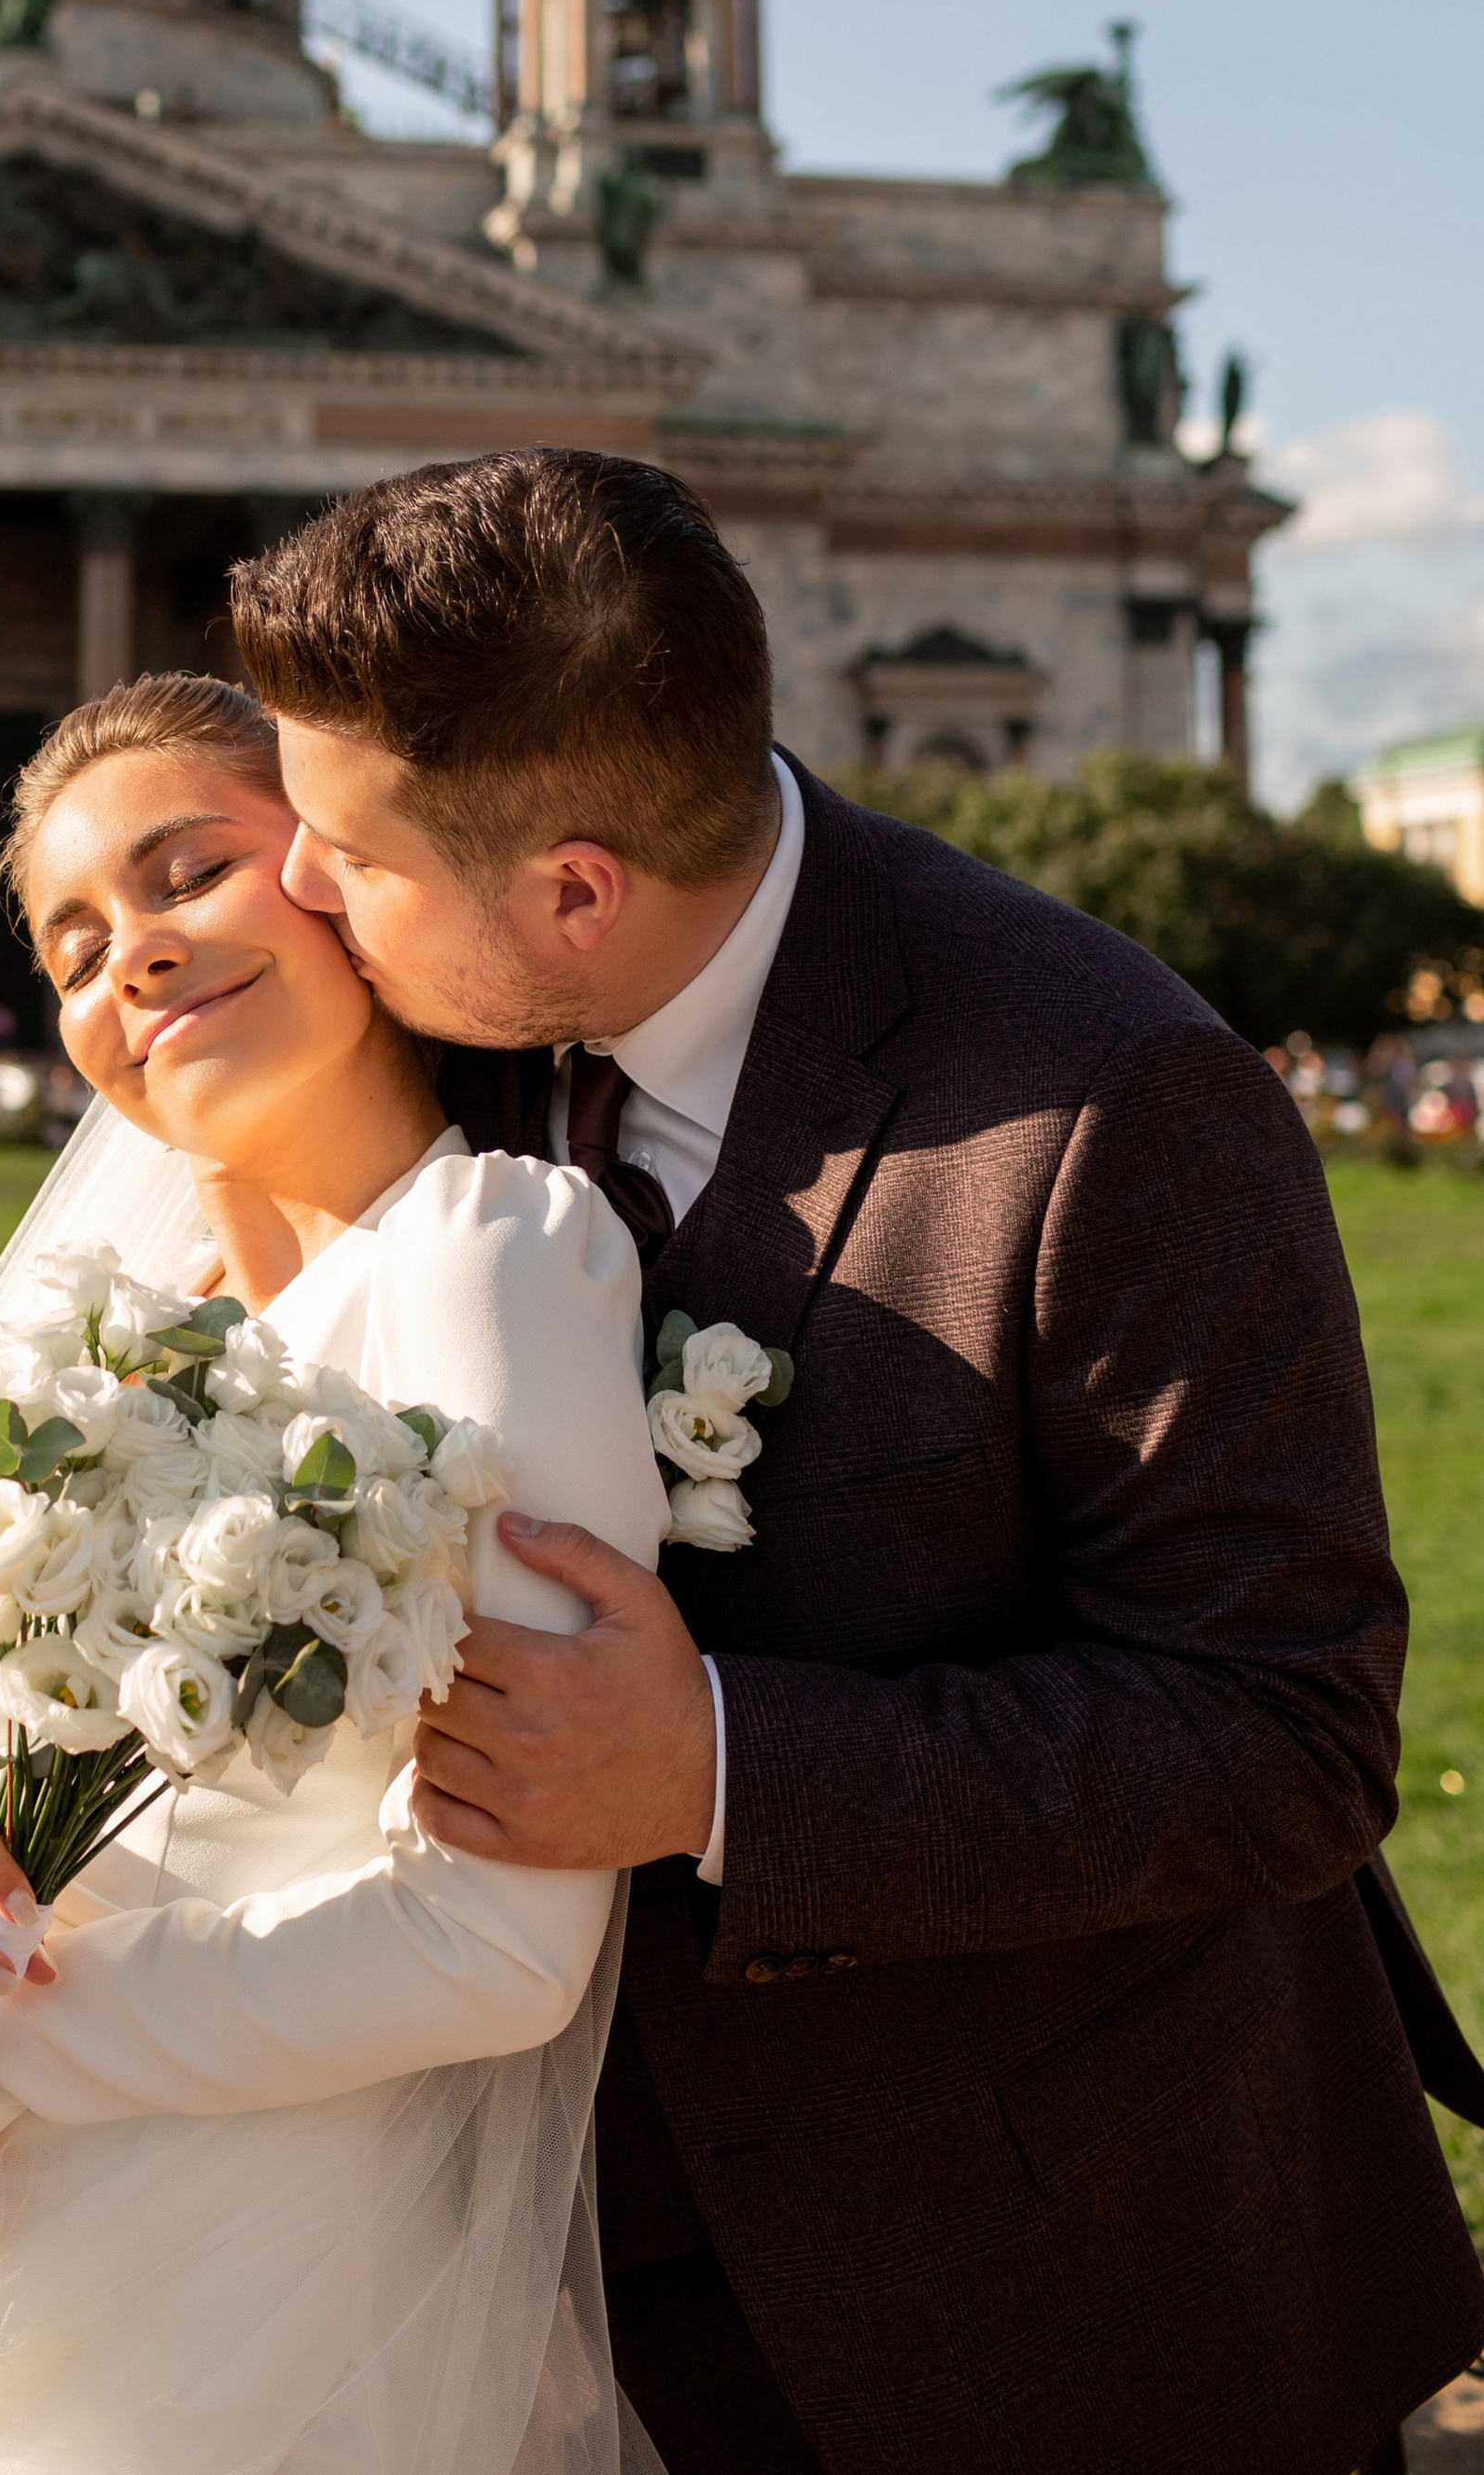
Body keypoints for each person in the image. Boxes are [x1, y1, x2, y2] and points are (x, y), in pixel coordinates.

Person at [229, 444, 1484, 2475]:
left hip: (1059, 2299)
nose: (293, 890)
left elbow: (1284, 1732)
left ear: (572, 886)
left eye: (341, 855)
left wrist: (714, 1764)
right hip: (555, 2293)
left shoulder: (1106, 1100)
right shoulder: (421, 1018)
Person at [0, 673, 671, 2475]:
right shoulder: (120, 1351)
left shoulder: (487, 1259)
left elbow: (500, 1941)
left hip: (263, 2291)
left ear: (343, 876)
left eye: (186, 874)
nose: (127, 958)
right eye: (72, 944)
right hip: (7, 2259)